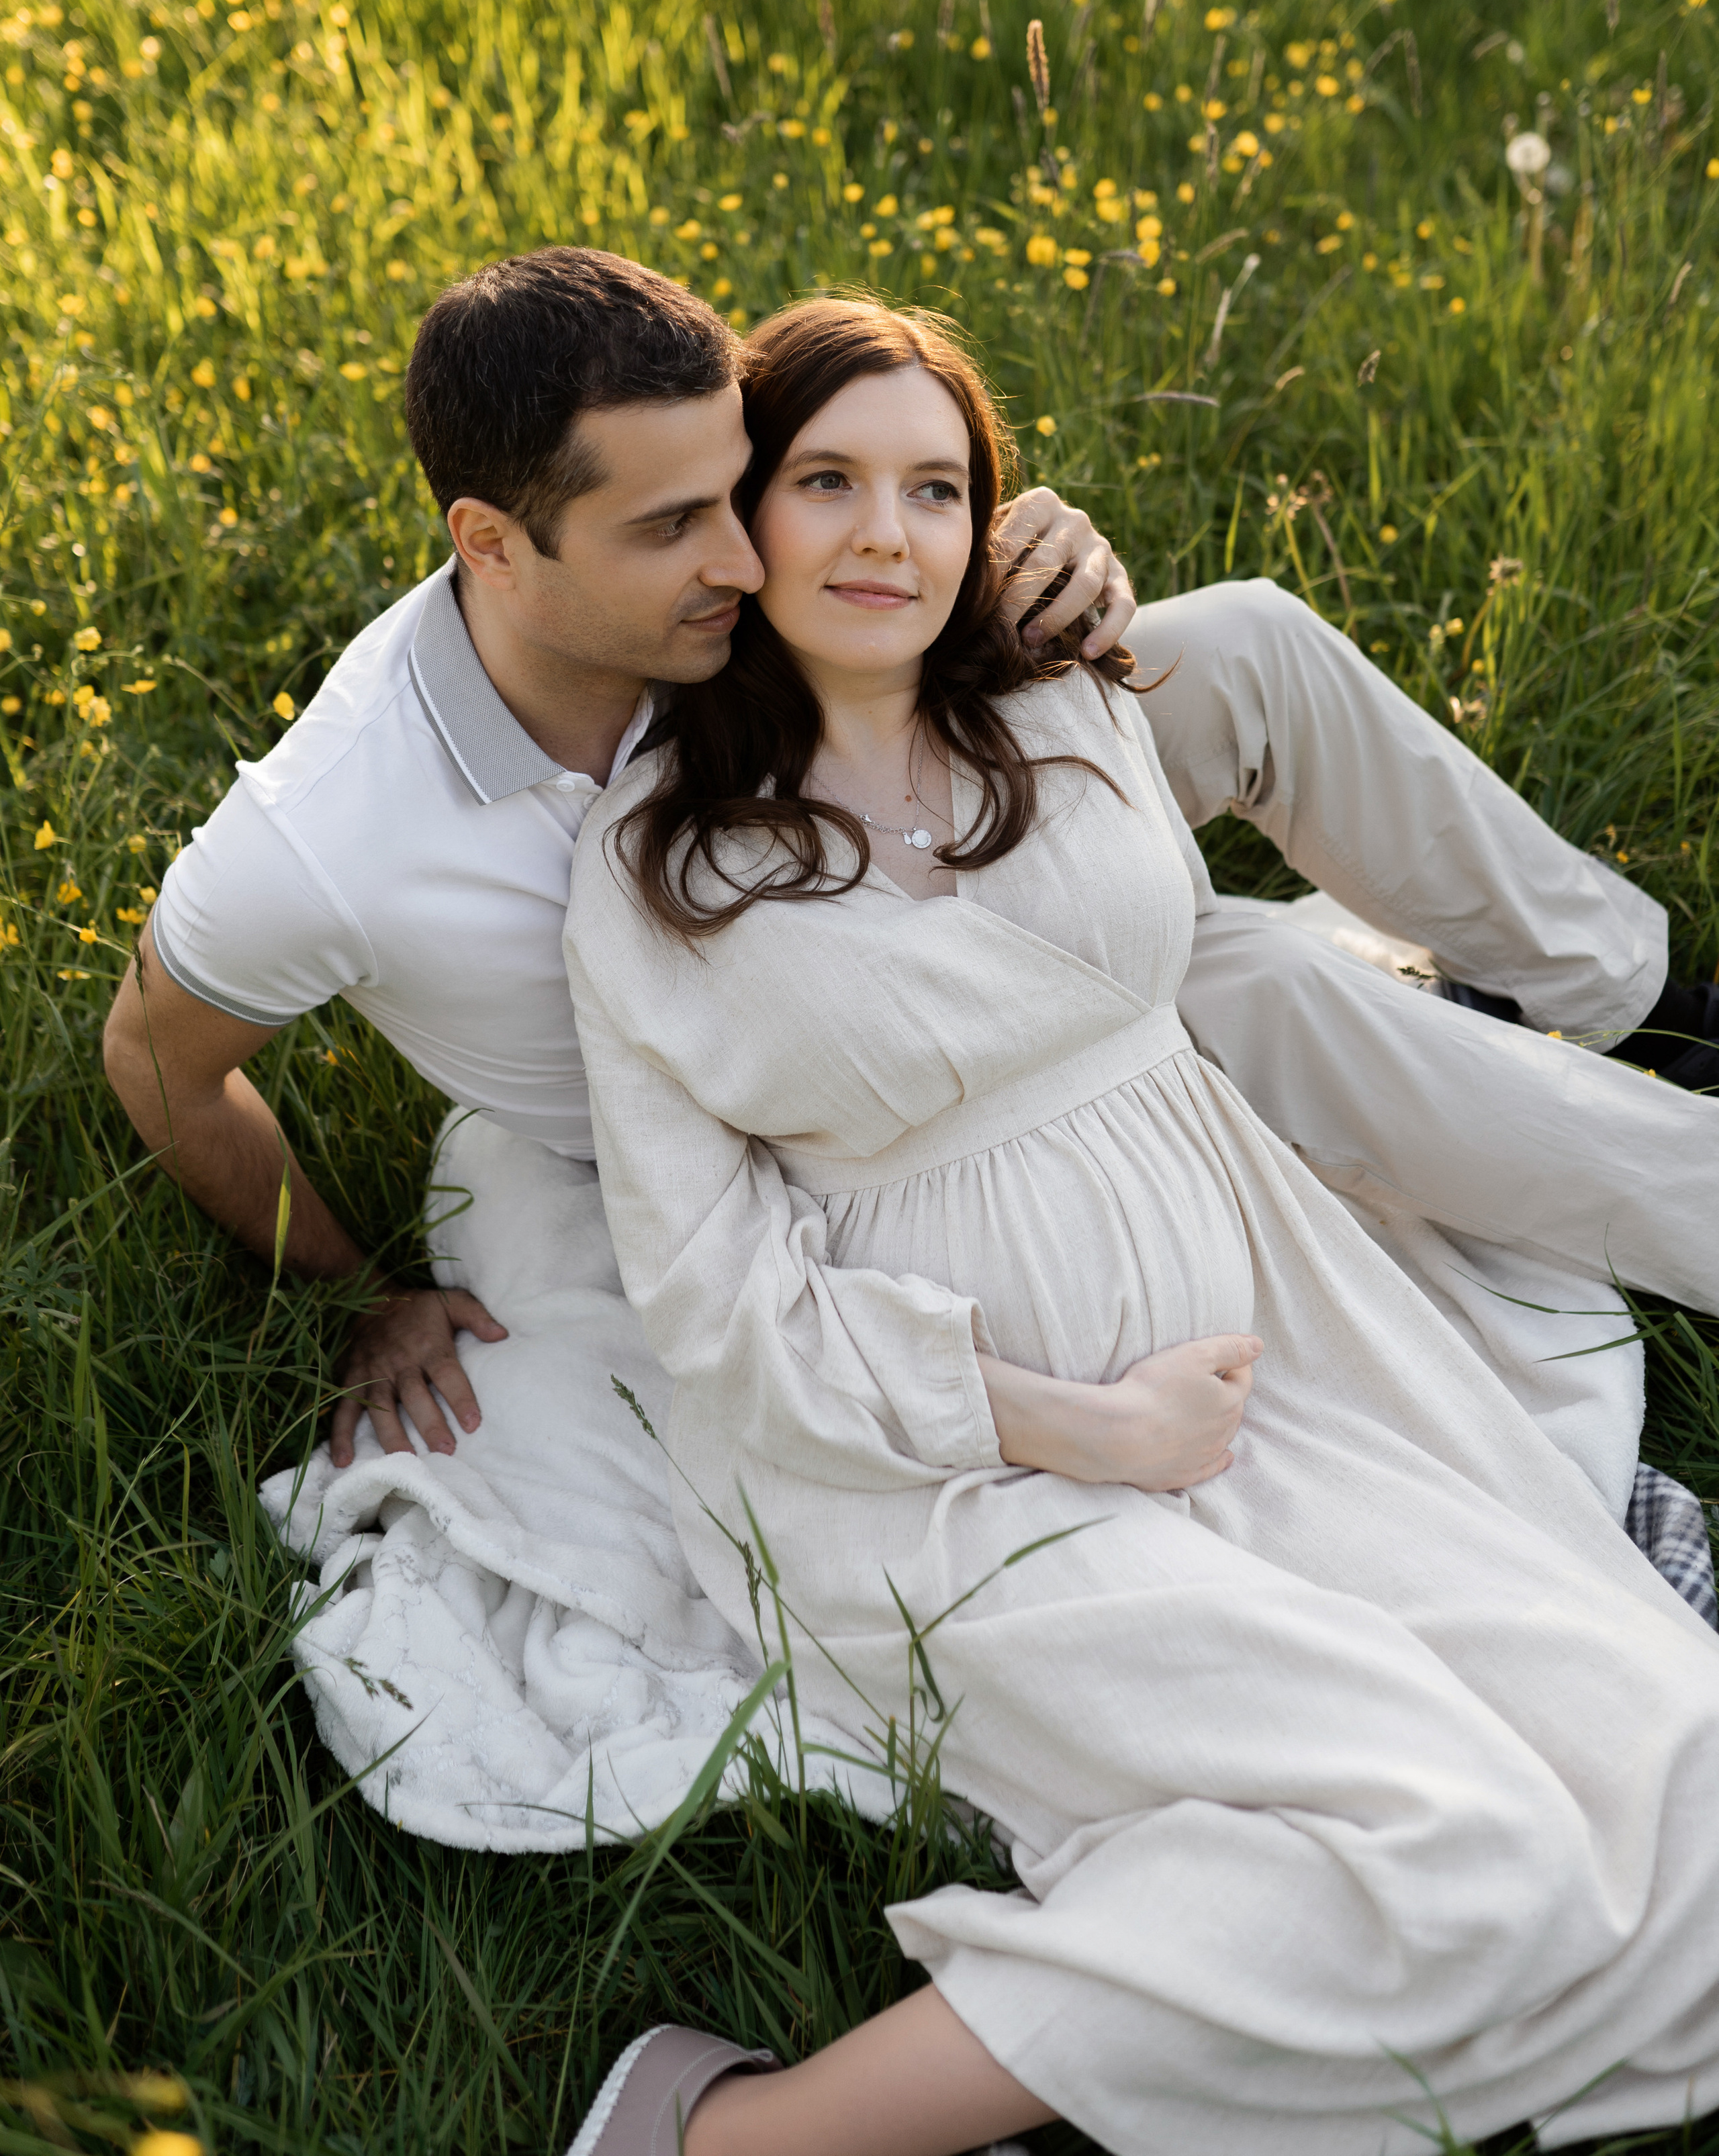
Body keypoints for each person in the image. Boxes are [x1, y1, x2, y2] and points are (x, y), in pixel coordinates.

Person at [560, 295, 1719, 2156]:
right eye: (828, 483)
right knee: (1463, 1839)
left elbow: (1163, 935)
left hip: (1282, 1350)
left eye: (936, 490)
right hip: (950, 1463)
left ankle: (1145, 2076)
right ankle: (723, 2135)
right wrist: (1071, 1423)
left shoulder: (1057, 695)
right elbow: (718, 1306)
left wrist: (1059, 581)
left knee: (1682, 1772)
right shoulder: (665, 874)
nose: (886, 534)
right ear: (738, 522)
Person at [101, 247, 1718, 1491]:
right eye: (677, 527)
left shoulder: (698, 586)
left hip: (914, 863)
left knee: (1245, 650)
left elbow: (876, 510)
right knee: (1262, 981)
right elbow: (153, 1061)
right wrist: (357, 1288)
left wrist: (1039, 554)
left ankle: (1634, 997)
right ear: (491, 544)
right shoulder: (323, 841)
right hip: (828, 1097)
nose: (742, 556)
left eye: (732, 494)